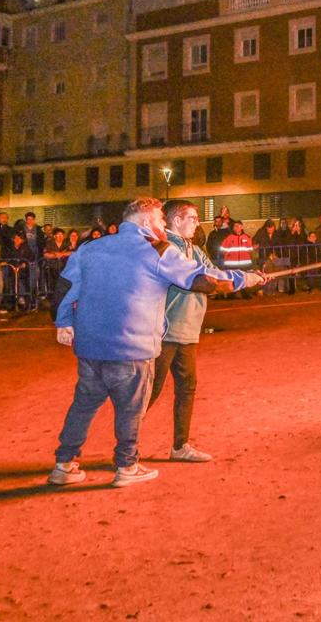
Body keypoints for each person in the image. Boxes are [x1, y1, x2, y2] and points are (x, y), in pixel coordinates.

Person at [48, 198, 263, 487]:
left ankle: (64, 464)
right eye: (162, 220)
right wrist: (243, 279)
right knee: (131, 409)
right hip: (132, 347)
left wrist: (63, 322)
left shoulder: (90, 248)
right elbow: (203, 280)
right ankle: (126, 466)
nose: (164, 226)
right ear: (147, 222)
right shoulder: (158, 250)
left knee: (83, 405)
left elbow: (66, 287)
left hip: (90, 347)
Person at [147, 200, 262, 463]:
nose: (197, 223)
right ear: (176, 220)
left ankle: (180, 446)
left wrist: (250, 276)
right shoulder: (166, 250)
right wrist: (245, 281)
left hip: (187, 331)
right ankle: (125, 449)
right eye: (192, 217)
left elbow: (214, 272)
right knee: (149, 390)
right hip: (164, 332)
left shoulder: (195, 249)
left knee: (187, 387)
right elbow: (204, 281)